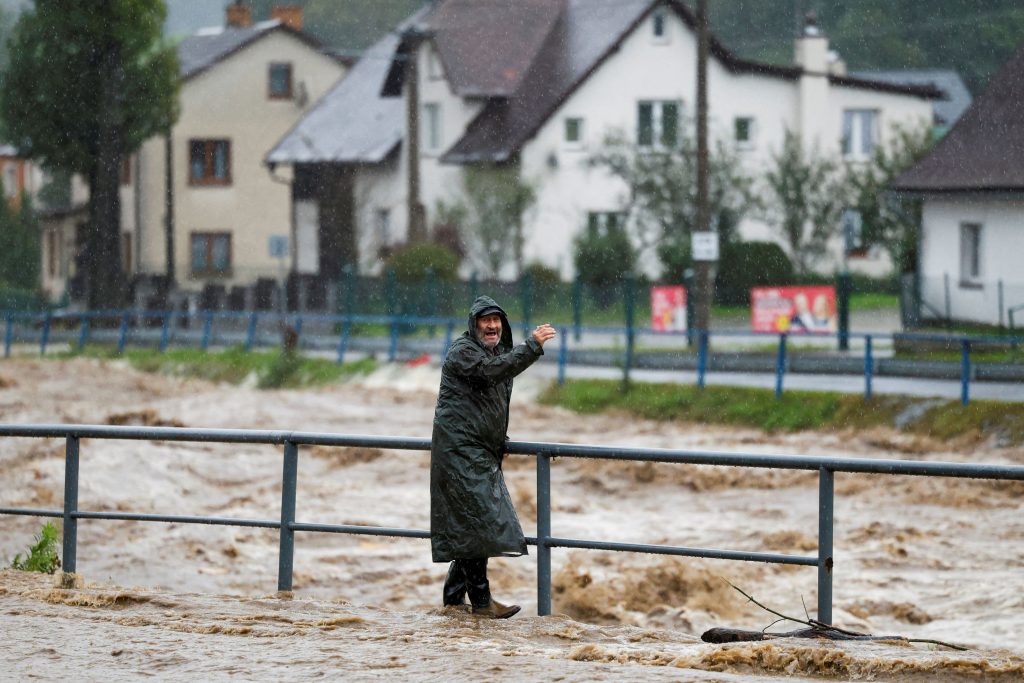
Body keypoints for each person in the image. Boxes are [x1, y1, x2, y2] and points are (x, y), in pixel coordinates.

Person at [430, 295, 556, 618]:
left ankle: (454, 599)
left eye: (496, 320)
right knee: (482, 524)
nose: (492, 326)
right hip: (461, 453)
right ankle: (482, 603)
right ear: (474, 325)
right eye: (485, 321)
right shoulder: (464, 352)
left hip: (477, 452)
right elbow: (490, 373)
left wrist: (499, 439)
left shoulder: (493, 352)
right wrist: (532, 347)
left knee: (475, 526)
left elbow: (487, 401)